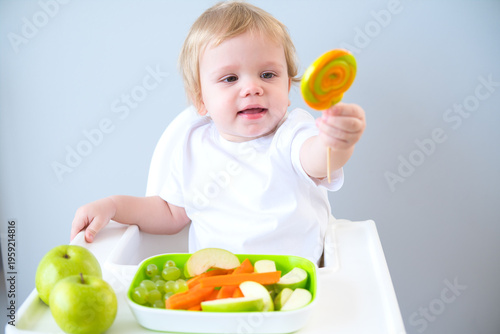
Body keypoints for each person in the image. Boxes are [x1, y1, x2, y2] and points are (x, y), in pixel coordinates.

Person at [70, 1, 365, 264]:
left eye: (268, 74)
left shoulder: (291, 133)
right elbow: (169, 213)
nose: (252, 87)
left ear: (288, 88)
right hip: (214, 286)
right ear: (201, 99)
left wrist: (334, 141)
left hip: (294, 279)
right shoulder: (191, 144)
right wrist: (113, 206)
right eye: (230, 78)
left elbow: (316, 160)